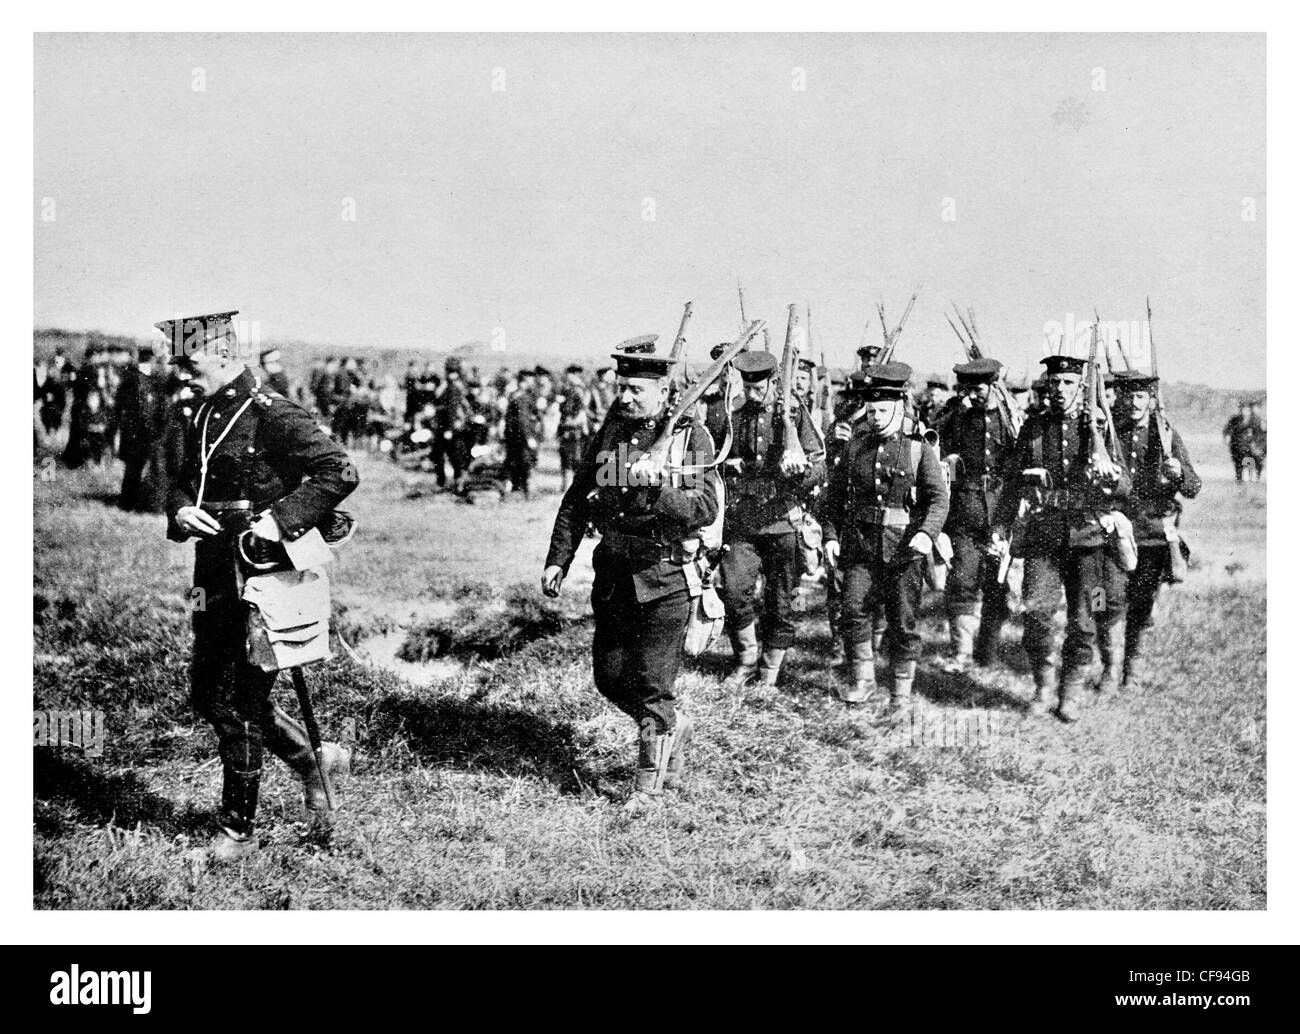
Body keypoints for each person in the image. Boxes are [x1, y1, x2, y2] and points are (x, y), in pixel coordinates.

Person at [162, 311, 359, 861]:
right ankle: (311, 760)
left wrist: (281, 520)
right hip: (212, 570)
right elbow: (181, 479)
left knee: (239, 699)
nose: (181, 373)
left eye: (190, 362)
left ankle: (238, 834)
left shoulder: (272, 413)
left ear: (225, 356)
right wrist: (180, 510)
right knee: (208, 693)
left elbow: (338, 471)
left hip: (262, 574)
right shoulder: (202, 413)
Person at [541, 336, 719, 811]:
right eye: (622, 387)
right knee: (610, 677)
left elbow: (704, 508)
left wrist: (659, 486)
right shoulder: (613, 430)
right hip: (615, 574)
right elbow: (578, 497)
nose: (626, 397)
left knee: (652, 684)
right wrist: (559, 558)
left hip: (665, 578)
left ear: (664, 391)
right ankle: (669, 728)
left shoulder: (689, 437)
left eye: (637, 389)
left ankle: (646, 790)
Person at [991, 354, 1131, 722]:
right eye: (1055, 382)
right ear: (1047, 385)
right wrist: (1001, 523)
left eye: (1069, 383)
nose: (1060, 389)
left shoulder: (1099, 427)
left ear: (1080, 387)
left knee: (1086, 620)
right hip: (1043, 536)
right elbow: (1012, 483)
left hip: (1090, 541)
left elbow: (1125, 485)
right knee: (1036, 614)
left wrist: (1109, 476)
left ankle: (1069, 693)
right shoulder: (1033, 427)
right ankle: (1043, 686)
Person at [820, 363, 949, 711]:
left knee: (902, 620)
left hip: (904, 549)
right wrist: (830, 536)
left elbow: (938, 499)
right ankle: (862, 680)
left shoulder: (918, 450)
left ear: (898, 409)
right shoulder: (853, 449)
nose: (876, 417)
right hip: (860, 546)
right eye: (871, 410)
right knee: (853, 609)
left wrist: (925, 534)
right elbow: (832, 499)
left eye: (883, 411)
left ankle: (900, 695)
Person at [716, 350, 825, 686]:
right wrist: (727, 466)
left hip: (781, 519)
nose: (752, 394)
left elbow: (819, 467)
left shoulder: (792, 413)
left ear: (773, 382)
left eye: (758, 387)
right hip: (743, 521)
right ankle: (745, 660)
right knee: (734, 590)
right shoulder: (733, 415)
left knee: (780, 599)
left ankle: (768, 672)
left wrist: (799, 471)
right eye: (747, 387)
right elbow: (713, 459)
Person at [1111, 371, 1201, 689]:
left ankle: (1129, 673)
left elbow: (1193, 486)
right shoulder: (1109, 433)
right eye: (1127, 396)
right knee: (1099, 598)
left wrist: (1177, 474)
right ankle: (1106, 662)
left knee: (1140, 604)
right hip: (1113, 532)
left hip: (1151, 535)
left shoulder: (1166, 435)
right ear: (1118, 398)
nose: (1133, 403)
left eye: (1140, 396)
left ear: (1151, 400)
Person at [931, 358, 1019, 668]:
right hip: (964, 510)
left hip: (999, 509)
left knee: (996, 583)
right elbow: (938, 450)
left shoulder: (1011, 422)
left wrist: (1008, 519)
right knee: (962, 580)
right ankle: (961, 653)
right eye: (968, 388)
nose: (974, 394)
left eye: (979, 388)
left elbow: (1017, 472)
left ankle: (989, 651)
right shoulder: (958, 416)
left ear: (994, 386)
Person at [117, 345, 170, 512]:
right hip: (141, 432)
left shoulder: (142, 378)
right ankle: (129, 502)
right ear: (151, 359)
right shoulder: (138, 379)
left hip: (143, 431)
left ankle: (132, 501)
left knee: (137, 467)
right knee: (136, 467)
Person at [504, 368, 541, 499]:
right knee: (527, 463)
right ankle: (528, 493)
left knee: (514, 462)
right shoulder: (523, 397)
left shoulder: (515, 395)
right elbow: (523, 419)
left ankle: (513, 491)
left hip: (513, 436)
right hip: (523, 436)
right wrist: (529, 437)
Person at [557, 364, 592, 492]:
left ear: (574, 375)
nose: (567, 377)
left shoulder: (577, 390)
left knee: (571, 460)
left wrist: (569, 423)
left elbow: (581, 412)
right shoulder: (572, 389)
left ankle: (569, 488)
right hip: (570, 429)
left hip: (574, 430)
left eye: (569, 374)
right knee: (569, 459)